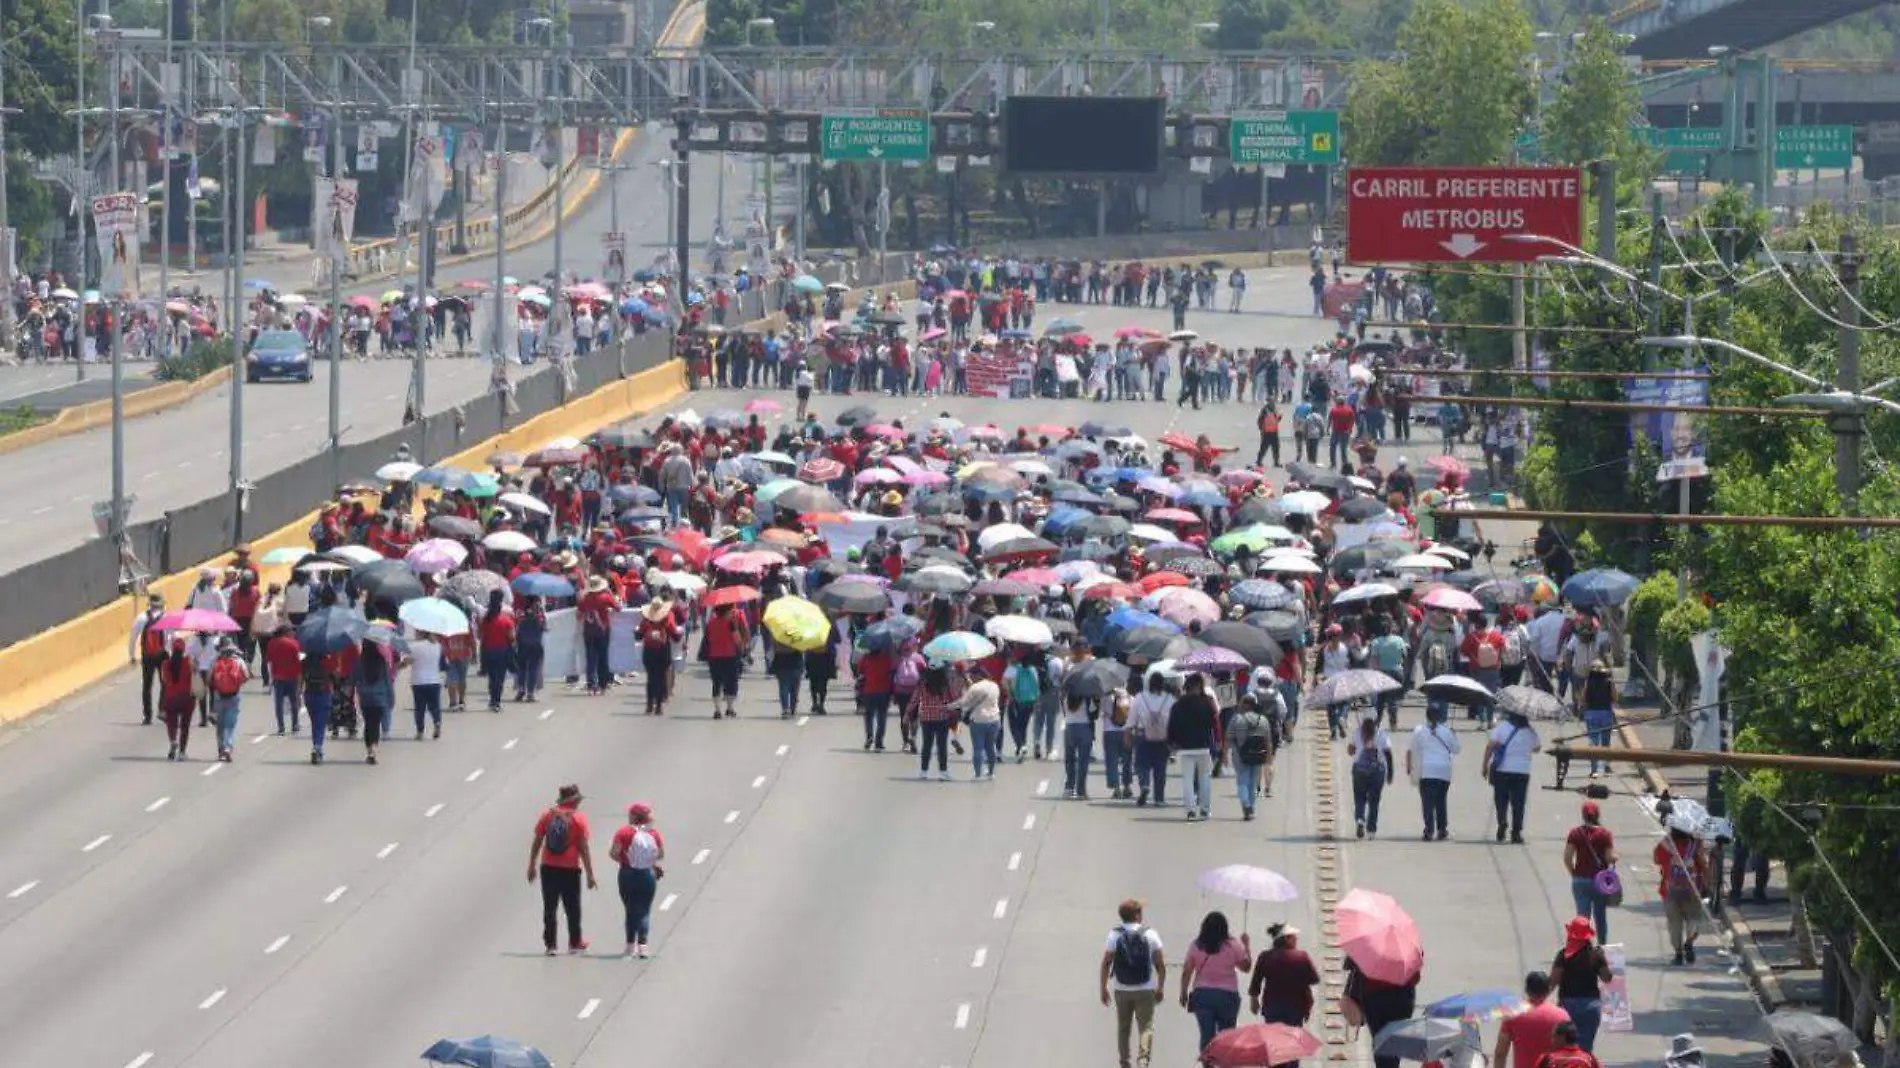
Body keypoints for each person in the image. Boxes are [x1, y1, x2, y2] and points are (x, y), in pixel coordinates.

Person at [528, 783, 597, 956]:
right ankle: (575, 942)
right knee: (572, 907)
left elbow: (537, 840)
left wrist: (532, 864)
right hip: (570, 868)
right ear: (574, 801)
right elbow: (583, 847)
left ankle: (551, 945)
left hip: (548, 866)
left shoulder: (547, 815)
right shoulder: (578, 819)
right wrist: (590, 874)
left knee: (550, 906)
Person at [1100, 899, 1167, 1068]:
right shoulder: (1150, 934)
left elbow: (1106, 962)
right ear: (1137, 915)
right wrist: (1160, 987)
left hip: (1122, 989)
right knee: (1145, 1026)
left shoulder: (1115, 935)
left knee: (1123, 1027)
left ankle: (1125, 1062)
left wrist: (1103, 988)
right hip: (1145, 989)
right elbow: (1160, 964)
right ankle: (1143, 1061)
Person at [1179, 911, 1252, 1059]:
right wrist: (1246, 946)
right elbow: (1246, 968)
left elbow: (1187, 971)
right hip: (1228, 996)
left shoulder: (1196, 945)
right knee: (1227, 1036)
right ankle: (1225, 1063)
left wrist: (1183, 993)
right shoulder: (1232, 945)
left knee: (1206, 1035)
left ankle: (1208, 1063)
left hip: (1203, 995)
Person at [607, 802, 665, 959]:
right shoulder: (653, 833)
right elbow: (659, 854)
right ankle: (643, 946)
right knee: (644, 909)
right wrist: (649, 863)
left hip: (627, 874)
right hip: (647, 874)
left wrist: (625, 860)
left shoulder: (623, 832)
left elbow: (613, 853)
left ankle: (630, 946)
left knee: (630, 908)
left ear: (634, 816)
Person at [1549, 917, 1612, 1053]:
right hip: (1590, 1006)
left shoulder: (1563, 955)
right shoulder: (1595, 955)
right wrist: (1604, 960)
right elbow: (1607, 978)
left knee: (1564, 1049)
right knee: (1584, 1050)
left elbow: (1553, 982)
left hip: (1567, 1006)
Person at [1346, 955, 1420, 1068]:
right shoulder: (1407, 945)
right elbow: (1415, 977)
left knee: (1380, 1038)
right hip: (1402, 998)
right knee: (1396, 1039)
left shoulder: (1368, 942)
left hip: (1374, 997)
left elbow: (1353, 965)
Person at [1248, 923, 1320, 1039]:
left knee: (1275, 1042)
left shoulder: (1265, 956)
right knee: (1292, 1042)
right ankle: (1292, 1058)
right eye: (1293, 936)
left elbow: (1256, 981)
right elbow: (1314, 979)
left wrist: (1254, 1000)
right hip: (1296, 1007)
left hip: (1272, 1007)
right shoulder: (1301, 956)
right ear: (1286, 939)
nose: (1296, 939)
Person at [1653, 824, 1710, 964]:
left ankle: (1678, 953)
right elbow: (1704, 864)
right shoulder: (1695, 845)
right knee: (1694, 921)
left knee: (1674, 925)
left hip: (1670, 892)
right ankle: (1689, 943)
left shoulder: (1665, 845)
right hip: (1693, 891)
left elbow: (1656, 860)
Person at [1482, 711, 1542, 843]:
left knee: (1501, 800)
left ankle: (1502, 821)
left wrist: (1485, 766)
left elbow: (1490, 746)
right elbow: (1537, 748)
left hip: (1502, 770)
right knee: (1519, 803)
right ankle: (1516, 832)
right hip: (1522, 771)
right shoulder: (1530, 732)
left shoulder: (1502, 728)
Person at [1563, 801, 1618, 940]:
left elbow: (1567, 857)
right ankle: (1602, 946)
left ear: (1583, 815)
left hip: (1580, 879)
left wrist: (1574, 873)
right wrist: (1615, 857)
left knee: (1582, 917)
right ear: (1598, 815)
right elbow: (1609, 857)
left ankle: (1583, 946)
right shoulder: (1605, 834)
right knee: (1600, 916)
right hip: (1600, 881)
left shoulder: (1575, 833)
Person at [1495, 971, 1572, 1068]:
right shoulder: (1562, 1016)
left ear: (1527, 990)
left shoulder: (1513, 1014)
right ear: (1548, 990)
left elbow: (1500, 1052)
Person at [1168, 674, 1219, 821]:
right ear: (1199, 686)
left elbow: (1172, 725)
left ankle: (1190, 810)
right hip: (1204, 746)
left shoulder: (1178, 705)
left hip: (1185, 747)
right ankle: (1205, 809)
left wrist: (1172, 743)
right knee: (1205, 779)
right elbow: (1214, 723)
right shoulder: (1208, 702)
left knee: (1187, 780)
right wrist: (1217, 741)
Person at [1406, 704, 1460, 841]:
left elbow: (1412, 749)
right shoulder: (1446, 731)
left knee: (1427, 802)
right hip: (1444, 771)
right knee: (1441, 801)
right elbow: (1456, 749)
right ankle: (1442, 829)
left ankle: (1429, 829)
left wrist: (1409, 767)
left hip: (1427, 770)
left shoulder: (1419, 731)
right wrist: (1454, 736)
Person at [1227, 692, 1278, 820]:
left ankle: (1246, 804)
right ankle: (1252, 807)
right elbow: (1268, 740)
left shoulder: (1237, 719)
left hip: (1240, 754)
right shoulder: (1263, 720)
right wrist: (1269, 757)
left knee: (1242, 780)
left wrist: (1226, 753)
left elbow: (1229, 738)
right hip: (1258, 754)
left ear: (1243, 705)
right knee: (1254, 782)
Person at [910, 662, 962, 780]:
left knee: (926, 746)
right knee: (942, 746)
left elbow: (914, 700)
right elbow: (953, 698)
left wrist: (907, 715)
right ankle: (943, 772)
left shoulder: (922, 684)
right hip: (942, 717)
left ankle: (923, 772)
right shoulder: (945, 685)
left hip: (926, 718)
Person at [1348, 714, 1393, 839]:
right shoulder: (1381, 734)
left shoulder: (1357, 733)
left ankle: (1360, 819)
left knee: (1359, 798)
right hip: (1377, 772)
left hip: (1359, 770)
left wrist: (1356, 745)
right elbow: (1388, 753)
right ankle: (1371, 830)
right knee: (1374, 801)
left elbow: (1351, 751)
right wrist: (1390, 774)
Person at [1130, 673, 1172, 807]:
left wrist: (1128, 732)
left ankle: (1144, 785)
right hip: (1163, 736)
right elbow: (1172, 719)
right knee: (1160, 767)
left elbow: (1132, 719)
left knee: (1142, 764)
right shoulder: (1169, 699)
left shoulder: (1140, 697)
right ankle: (1159, 798)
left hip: (1143, 735)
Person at [702, 601, 749, 719]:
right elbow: (737, 640)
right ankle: (729, 708)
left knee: (716, 683)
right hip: (730, 655)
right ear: (727, 611)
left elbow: (707, 638)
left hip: (714, 655)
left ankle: (717, 710)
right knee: (731, 682)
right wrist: (742, 647)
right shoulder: (731, 623)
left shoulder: (711, 622)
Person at [355, 635, 397, 765]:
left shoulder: (360, 661)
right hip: (379, 697)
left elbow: (354, 678)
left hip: (365, 697)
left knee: (368, 723)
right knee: (376, 723)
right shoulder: (381, 661)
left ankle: (369, 750)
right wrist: (391, 697)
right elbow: (387, 681)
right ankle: (373, 747)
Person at [636, 596, 681, 716]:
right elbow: (676, 637)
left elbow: (639, 636)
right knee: (661, 678)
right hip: (663, 650)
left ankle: (649, 705)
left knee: (650, 678)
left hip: (649, 651)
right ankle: (659, 707)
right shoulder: (666, 620)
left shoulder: (646, 621)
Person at [955, 667, 1003, 780]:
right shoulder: (994, 685)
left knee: (978, 748)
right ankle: (991, 773)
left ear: (978, 676)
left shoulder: (975, 688)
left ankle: (977, 775)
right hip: (994, 719)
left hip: (978, 720)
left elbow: (965, 703)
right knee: (991, 747)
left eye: (972, 675)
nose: (971, 677)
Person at [208, 638, 250, 763]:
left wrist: (216, 685)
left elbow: (209, 679)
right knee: (230, 725)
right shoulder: (238, 661)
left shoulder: (215, 661)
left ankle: (221, 749)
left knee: (220, 725)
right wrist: (237, 683)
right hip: (234, 696)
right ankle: (228, 746)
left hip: (219, 696)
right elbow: (246, 676)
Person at [158, 636, 197, 761]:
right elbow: (194, 677)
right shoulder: (188, 662)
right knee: (185, 726)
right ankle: (182, 752)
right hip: (187, 699)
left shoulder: (166, 664)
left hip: (171, 698)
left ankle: (173, 741)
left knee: (172, 724)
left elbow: (165, 680)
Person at [1576, 660, 1617, 778]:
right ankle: (1607, 768)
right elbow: (1614, 697)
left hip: (1591, 713)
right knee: (1606, 743)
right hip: (1605, 713)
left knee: (1593, 742)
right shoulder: (1609, 681)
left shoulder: (1588, 681)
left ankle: (1594, 770)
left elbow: (1583, 698)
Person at [477, 589, 516, 712]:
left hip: (487, 650)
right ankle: (496, 700)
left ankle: (492, 699)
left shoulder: (485, 619)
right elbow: (512, 637)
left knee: (492, 676)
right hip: (502, 651)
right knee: (500, 678)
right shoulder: (506, 620)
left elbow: (479, 635)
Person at [133, 593, 168, 725]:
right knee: (165, 683)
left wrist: (132, 655)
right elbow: (171, 637)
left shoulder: (141, 618)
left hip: (147, 656)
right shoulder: (166, 617)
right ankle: (162, 709)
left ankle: (147, 716)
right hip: (162, 655)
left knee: (147, 686)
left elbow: (133, 637)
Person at [264, 624, 304, 735]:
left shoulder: (272, 643)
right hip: (292, 676)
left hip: (278, 677)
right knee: (294, 702)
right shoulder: (294, 643)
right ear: (286, 632)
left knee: (279, 704)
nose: (294, 633)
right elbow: (299, 660)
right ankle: (295, 725)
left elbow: (269, 660)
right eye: (292, 631)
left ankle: (281, 727)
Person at [409, 632, 444, 740]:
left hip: (418, 681)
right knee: (435, 706)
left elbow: (407, 661)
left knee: (419, 709)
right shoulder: (438, 646)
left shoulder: (414, 647)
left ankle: (420, 732)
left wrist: (399, 666)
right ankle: (437, 722)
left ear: (420, 634)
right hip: (434, 680)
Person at [1532, 1020, 1602, 1068]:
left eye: (1553, 1036)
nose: (1552, 1040)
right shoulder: (1590, 1059)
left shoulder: (1547, 1059)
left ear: (1561, 1037)